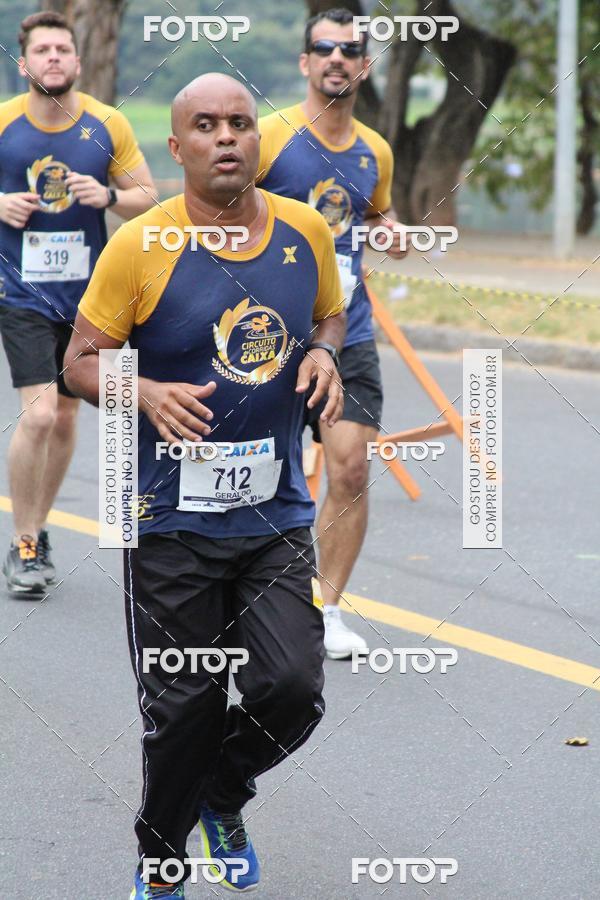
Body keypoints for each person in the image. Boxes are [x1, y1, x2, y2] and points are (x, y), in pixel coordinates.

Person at [64, 73, 346, 898]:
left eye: (240, 123)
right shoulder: (139, 245)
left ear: (259, 139)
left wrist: (325, 351)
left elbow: (330, 314)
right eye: (207, 125)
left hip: (274, 517)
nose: (226, 137)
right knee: (182, 709)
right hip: (167, 522)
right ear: (177, 146)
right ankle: (162, 861)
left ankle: (223, 794)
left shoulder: (304, 230)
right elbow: (78, 363)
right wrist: (143, 391)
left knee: (291, 689)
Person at [257, 7, 409, 659]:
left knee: (349, 469)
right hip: (266, 337)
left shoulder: (375, 150)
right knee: (260, 472)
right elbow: (219, 213)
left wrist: (391, 232)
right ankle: (243, 599)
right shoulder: (269, 137)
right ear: (305, 62)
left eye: (349, 50)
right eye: (324, 48)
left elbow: (377, 215)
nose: (336, 59)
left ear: (364, 66)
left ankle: (327, 609)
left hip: (348, 332)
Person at [0, 11, 156, 596]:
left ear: (78, 61)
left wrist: (109, 195)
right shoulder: (4, 123)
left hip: (91, 299)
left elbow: (148, 196)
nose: (54, 58)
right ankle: (22, 543)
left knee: (67, 416)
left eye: (62, 49)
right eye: (43, 50)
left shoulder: (107, 123)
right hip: (20, 290)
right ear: (25, 64)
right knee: (40, 414)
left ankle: (37, 529)